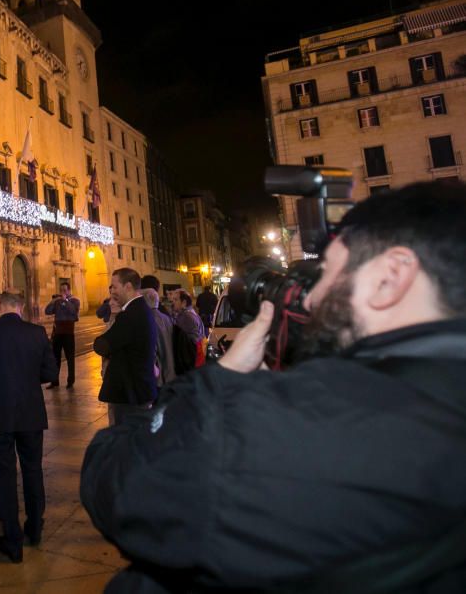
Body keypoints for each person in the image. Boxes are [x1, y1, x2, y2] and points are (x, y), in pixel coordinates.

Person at [81, 181, 466, 592]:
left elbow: (118, 481)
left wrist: (220, 382)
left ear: (391, 277)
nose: (314, 296)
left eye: (331, 271)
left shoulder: (294, 425)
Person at [0, 291, 57, 563]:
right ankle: (35, 529)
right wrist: (30, 378)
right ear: (21, 308)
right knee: (33, 471)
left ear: (0, 305)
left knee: (5, 477)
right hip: (31, 413)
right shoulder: (37, 332)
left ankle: (13, 540)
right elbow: (51, 373)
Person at [93, 268, 158, 425]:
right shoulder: (141, 308)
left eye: (115, 287)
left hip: (130, 394)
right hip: (137, 390)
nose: (112, 291)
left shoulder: (130, 314)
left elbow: (102, 345)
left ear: (128, 287)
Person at [44, 282, 81, 388]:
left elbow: (74, 313)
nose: (62, 292)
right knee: (55, 358)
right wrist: (53, 301)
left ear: (69, 290)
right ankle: (54, 381)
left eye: (65, 290)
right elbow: (47, 311)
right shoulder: (57, 302)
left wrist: (65, 300)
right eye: (61, 290)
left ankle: (70, 381)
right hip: (57, 333)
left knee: (70, 358)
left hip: (68, 333)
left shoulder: (75, 301)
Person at [141, 288, 175, 384]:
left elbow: (151, 349)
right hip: (170, 371)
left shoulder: (146, 321)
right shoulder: (167, 318)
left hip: (157, 375)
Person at [172, 289, 206, 373]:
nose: (173, 303)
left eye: (176, 300)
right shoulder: (191, 313)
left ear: (184, 302)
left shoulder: (186, 316)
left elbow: (188, 343)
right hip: (197, 359)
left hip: (191, 361)